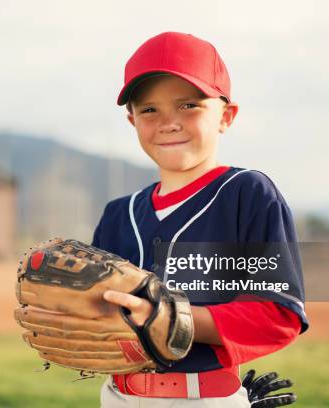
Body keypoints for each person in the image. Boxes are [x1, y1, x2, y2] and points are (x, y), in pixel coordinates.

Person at [91, 32, 309, 407]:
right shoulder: (118, 214)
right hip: (117, 396)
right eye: (149, 110)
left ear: (226, 115)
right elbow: (95, 316)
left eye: (189, 105)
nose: (168, 122)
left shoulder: (246, 193)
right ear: (132, 121)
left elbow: (277, 316)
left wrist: (171, 318)